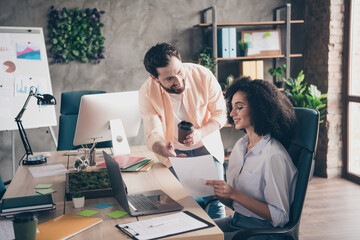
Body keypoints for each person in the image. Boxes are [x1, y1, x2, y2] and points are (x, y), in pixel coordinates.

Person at [139, 43, 227, 219]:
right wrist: (161, 147)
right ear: (154, 78)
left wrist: (200, 133)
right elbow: (153, 135)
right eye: (169, 79)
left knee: (216, 199)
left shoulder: (203, 75)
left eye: (179, 71)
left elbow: (220, 114)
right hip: (174, 154)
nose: (178, 81)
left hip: (206, 145)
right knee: (183, 203)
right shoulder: (147, 92)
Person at [205, 77, 298, 240]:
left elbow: (280, 217)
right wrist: (223, 195)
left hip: (262, 232)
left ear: (258, 109)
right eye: (232, 107)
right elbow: (237, 204)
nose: (232, 113)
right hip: (237, 222)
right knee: (194, 233)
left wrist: (234, 194)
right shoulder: (240, 146)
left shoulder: (273, 156)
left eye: (239, 107)